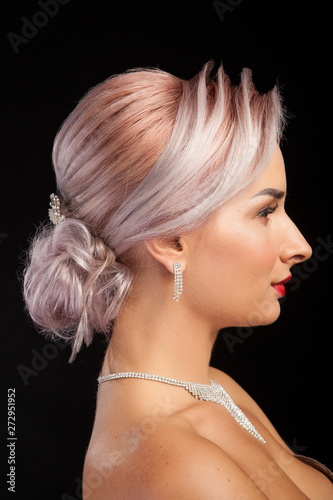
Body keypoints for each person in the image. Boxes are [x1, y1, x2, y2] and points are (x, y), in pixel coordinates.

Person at [23, 62, 333, 499]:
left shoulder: (215, 388)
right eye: (265, 212)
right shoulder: (178, 466)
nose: (300, 245)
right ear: (170, 240)